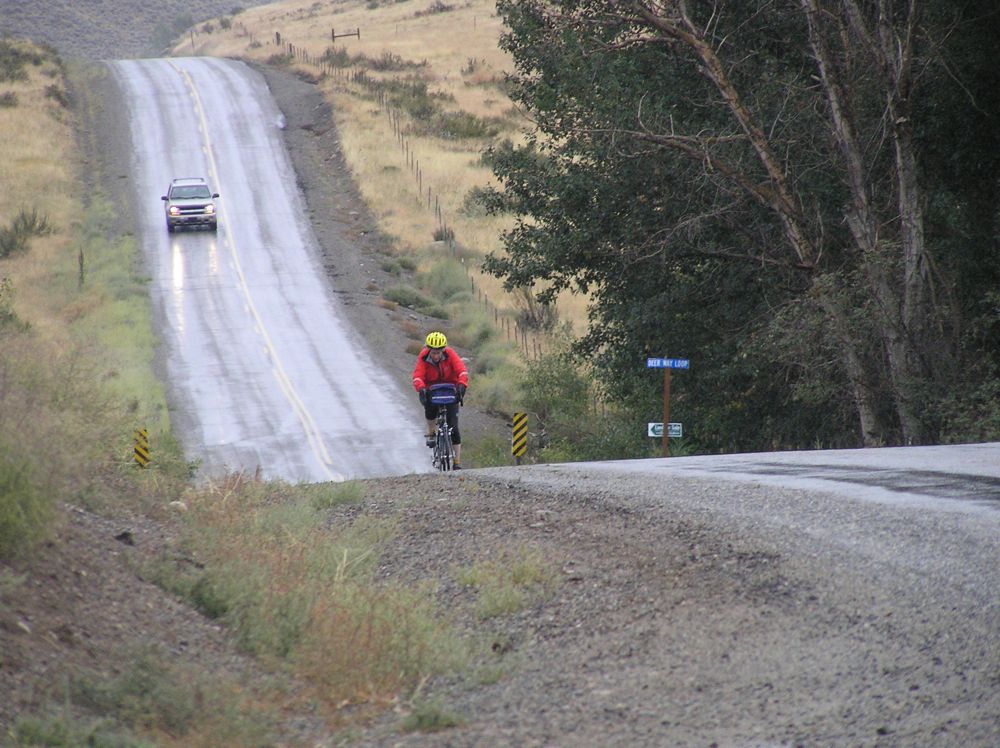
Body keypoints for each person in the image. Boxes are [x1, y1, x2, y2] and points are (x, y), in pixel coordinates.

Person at [413, 331, 468, 468]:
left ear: (443, 350)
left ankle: (457, 462)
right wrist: (421, 388)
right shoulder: (423, 357)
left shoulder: (450, 354)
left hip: (450, 389)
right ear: (428, 350)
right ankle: (431, 432)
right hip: (432, 390)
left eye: (438, 352)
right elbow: (418, 375)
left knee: (454, 427)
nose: (436, 356)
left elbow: (462, 371)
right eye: (433, 352)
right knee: (429, 409)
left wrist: (462, 384)